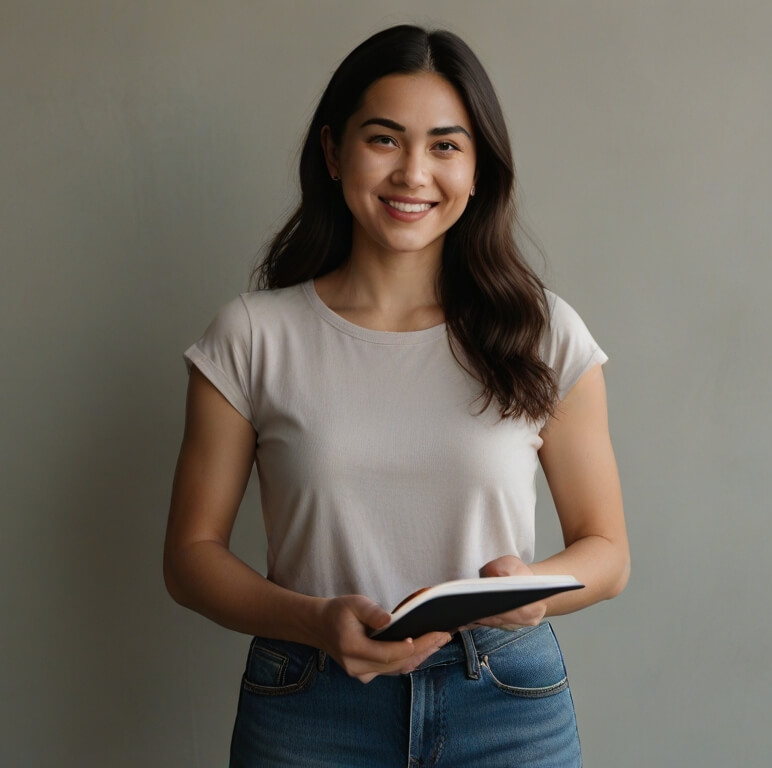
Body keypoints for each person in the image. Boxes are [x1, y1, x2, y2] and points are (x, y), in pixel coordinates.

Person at [164, 24, 629, 767]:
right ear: (333, 152)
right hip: (309, 704)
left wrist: (537, 589)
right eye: (385, 139)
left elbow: (609, 552)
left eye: (446, 145)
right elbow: (189, 557)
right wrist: (316, 622)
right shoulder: (252, 336)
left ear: (478, 170)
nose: (414, 172)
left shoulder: (542, 331)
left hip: (506, 703)